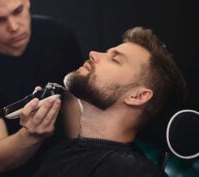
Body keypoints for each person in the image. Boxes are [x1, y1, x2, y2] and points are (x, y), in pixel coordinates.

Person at [32, 26, 188, 177]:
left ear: (137, 96)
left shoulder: (136, 172)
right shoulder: (61, 152)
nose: (93, 54)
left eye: (115, 60)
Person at [0, 0, 84, 176]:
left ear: (27, 2)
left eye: (17, 11)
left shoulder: (59, 36)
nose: (13, 27)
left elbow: (73, 100)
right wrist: (32, 134)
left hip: (57, 162)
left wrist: (81, 154)